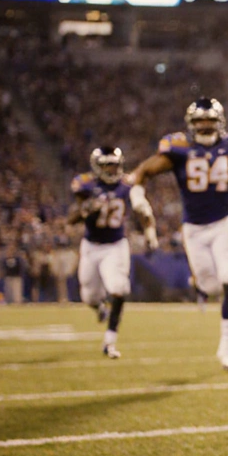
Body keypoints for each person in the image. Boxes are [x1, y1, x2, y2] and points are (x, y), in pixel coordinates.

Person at [129, 98, 228, 371]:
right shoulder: (178, 148)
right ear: (191, 123)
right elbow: (143, 172)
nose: (204, 125)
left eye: (209, 121)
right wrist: (138, 196)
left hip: (223, 224)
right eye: (200, 121)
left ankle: (227, 349)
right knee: (212, 287)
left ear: (219, 122)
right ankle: (199, 284)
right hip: (194, 230)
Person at [68, 147, 158, 358]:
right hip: (91, 246)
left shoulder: (127, 185)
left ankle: (110, 341)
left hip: (116, 245)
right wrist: (87, 209)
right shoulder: (85, 185)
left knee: (118, 288)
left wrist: (149, 231)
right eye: (107, 165)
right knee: (89, 296)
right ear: (97, 167)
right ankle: (99, 308)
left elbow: (141, 210)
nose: (112, 169)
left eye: (115, 165)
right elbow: (71, 220)